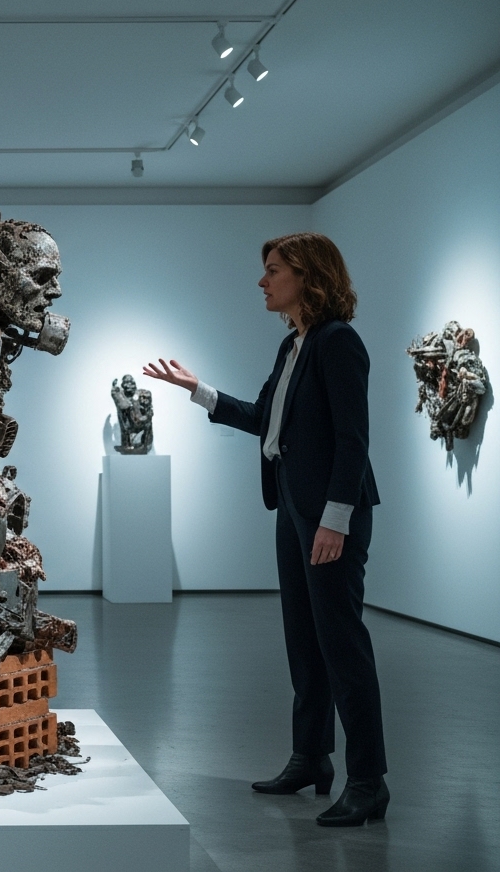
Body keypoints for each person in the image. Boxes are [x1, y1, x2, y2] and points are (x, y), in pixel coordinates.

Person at [143, 232, 388, 827]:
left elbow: (354, 439)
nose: (263, 281)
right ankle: (311, 758)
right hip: (293, 508)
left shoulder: (338, 343)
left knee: (342, 646)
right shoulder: (293, 346)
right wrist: (196, 389)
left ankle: (368, 781)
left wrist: (335, 519)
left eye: (273, 270)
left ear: (308, 275)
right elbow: (262, 420)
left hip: (330, 516)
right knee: (304, 642)